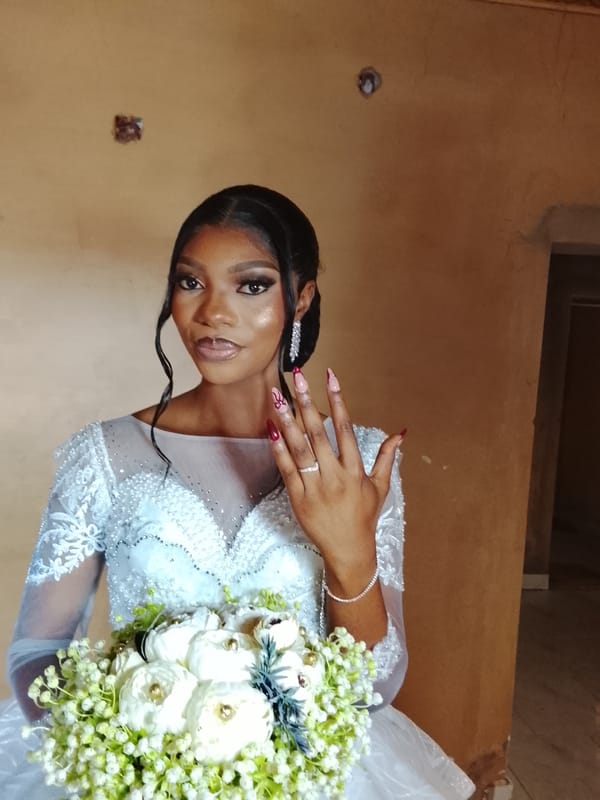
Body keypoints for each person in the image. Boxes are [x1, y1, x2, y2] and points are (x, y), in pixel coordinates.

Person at [1, 185, 475, 799]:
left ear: (301, 296)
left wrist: (346, 549)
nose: (211, 314)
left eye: (250, 285)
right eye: (190, 282)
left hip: (312, 781)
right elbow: (35, 652)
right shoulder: (103, 456)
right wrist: (129, 757)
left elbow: (374, 686)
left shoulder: (352, 461)